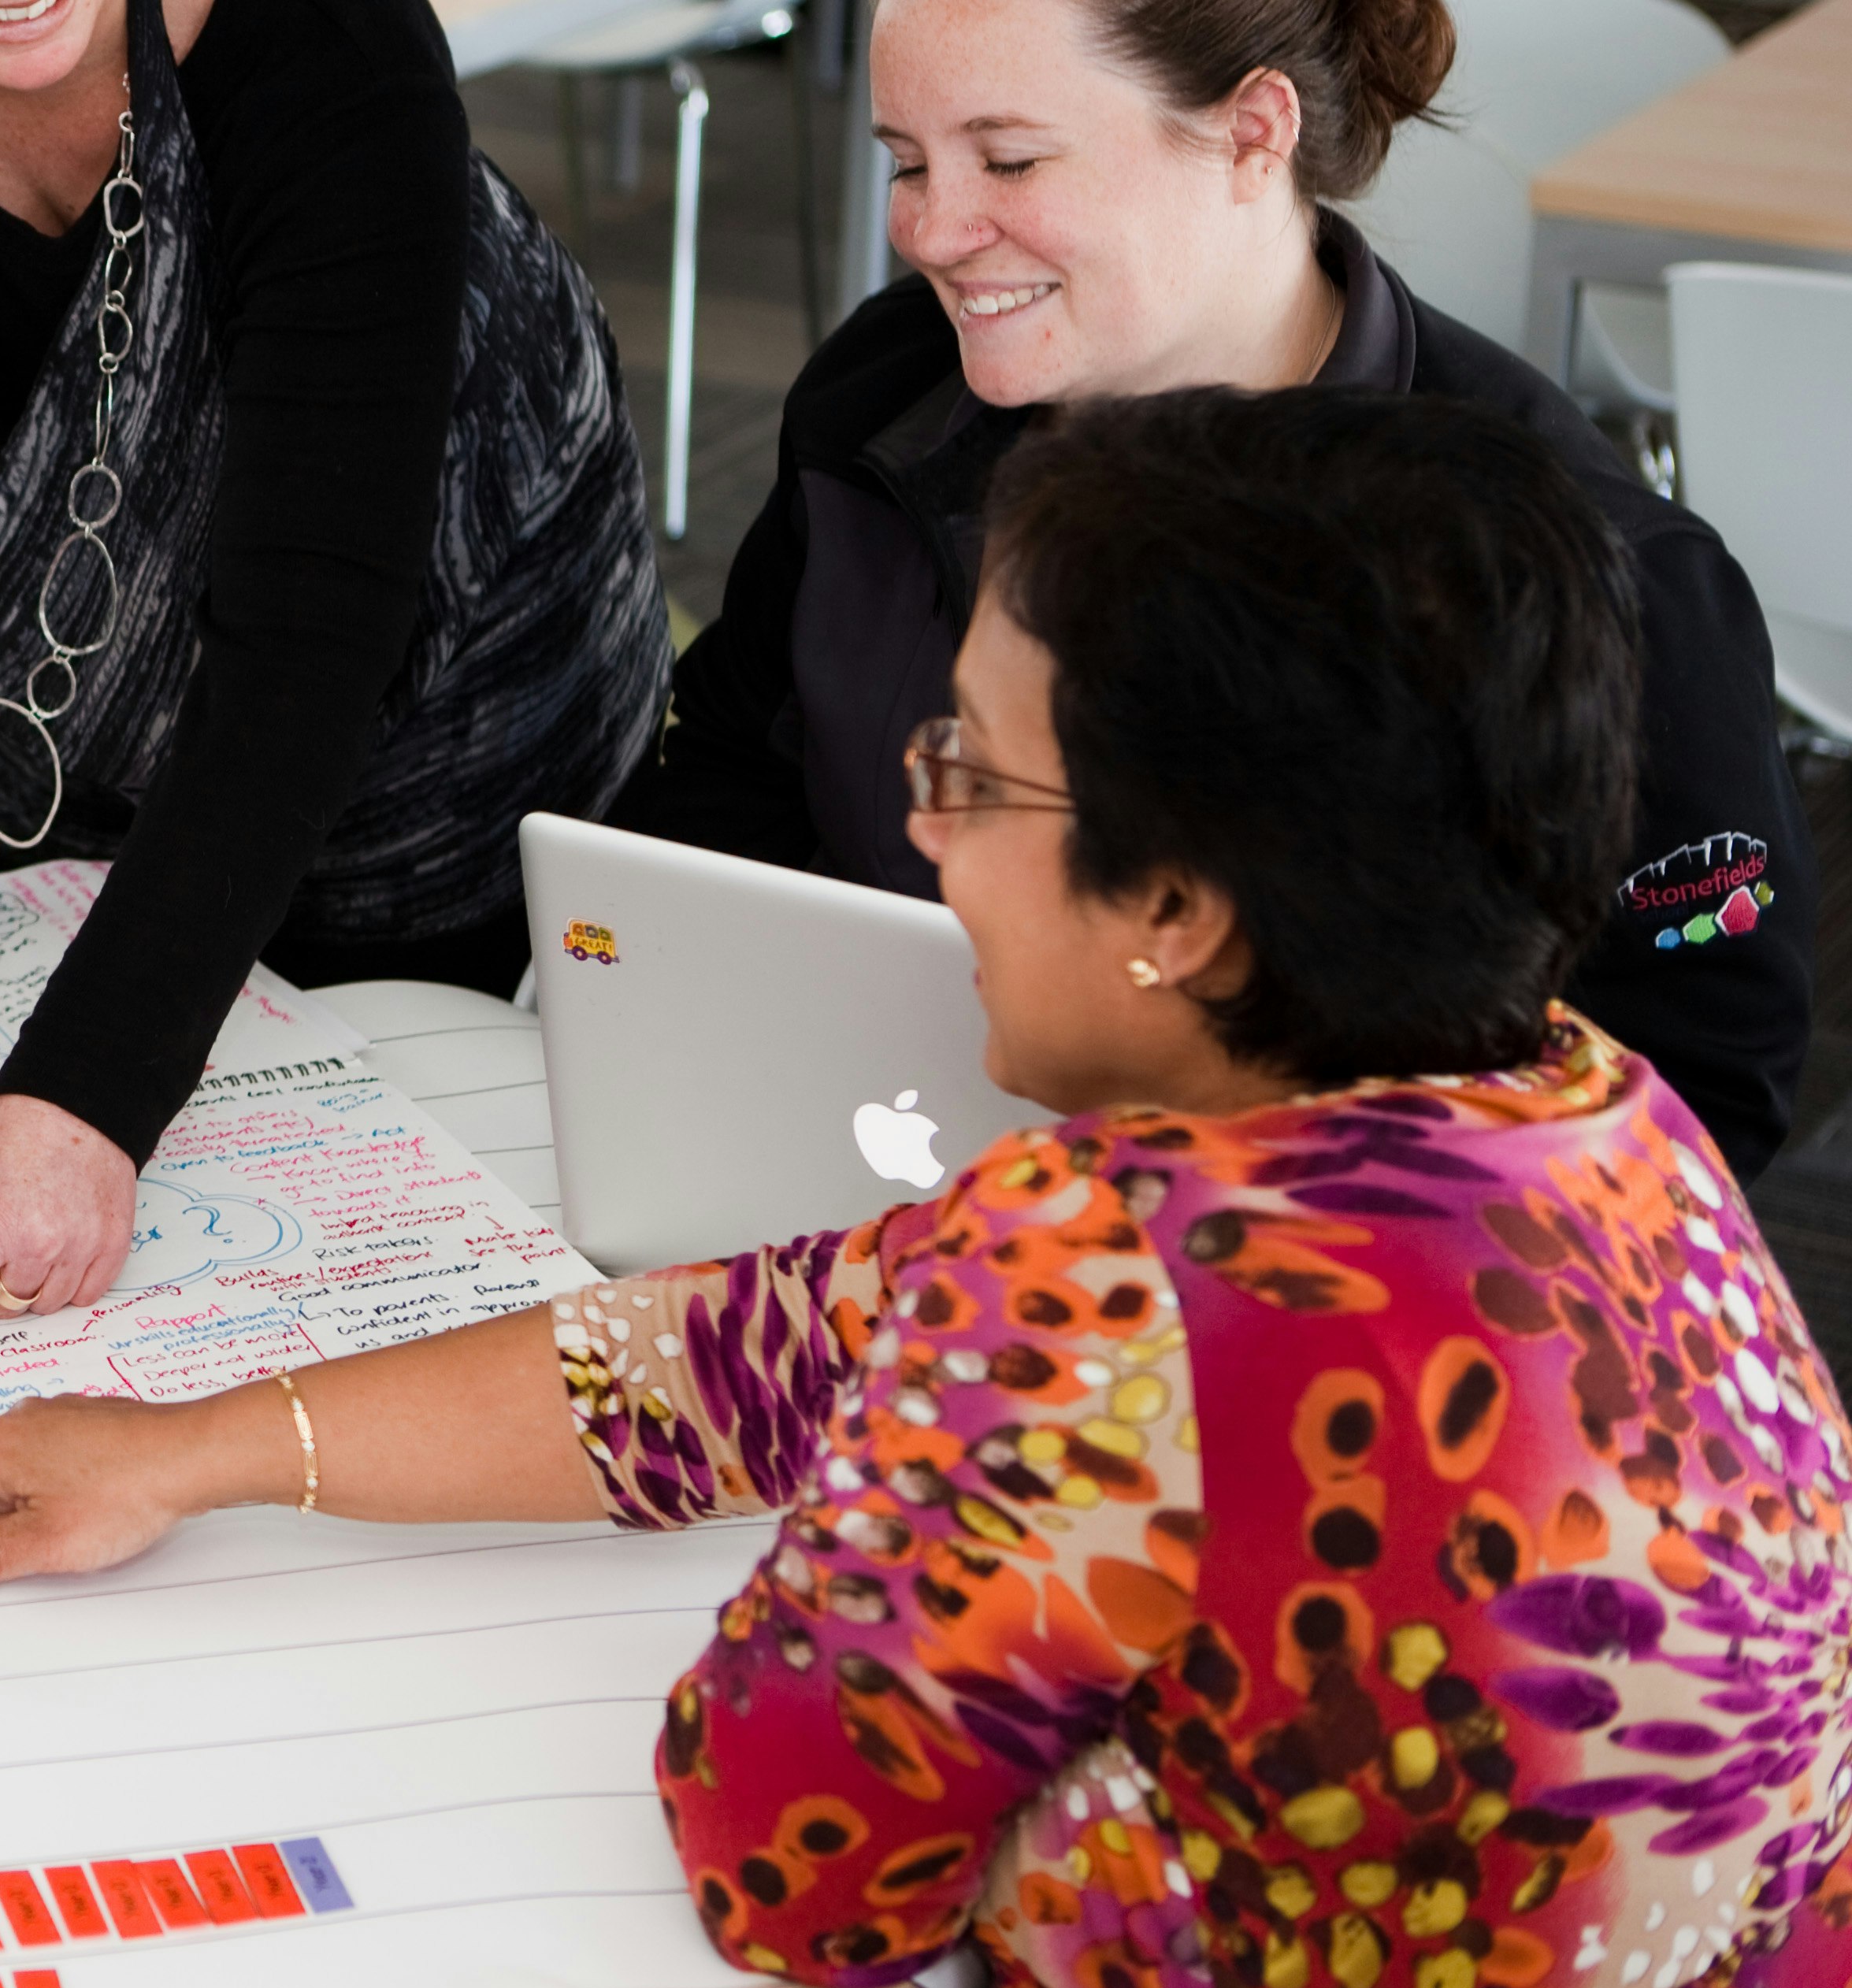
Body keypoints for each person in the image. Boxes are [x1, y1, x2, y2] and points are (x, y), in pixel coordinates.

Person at [0, 388, 1852, 1988]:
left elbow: (787, 1866)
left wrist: (937, 1565)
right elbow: (781, 1338)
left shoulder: (1104, 1275)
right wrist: (202, 1449)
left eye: (974, 774)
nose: (919, 821)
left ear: (1178, 912)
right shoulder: (1589, 1108)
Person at [616, 0, 1808, 1178]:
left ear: (1252, 133)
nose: (929, 230)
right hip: (838, 1160)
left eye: (1011, 158)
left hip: (1312, 1297)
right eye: (907, 162)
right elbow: (727, 787)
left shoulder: (1592, 575)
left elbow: (1695, 1097)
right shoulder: (884, 394)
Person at [0, 0, 672, 1392]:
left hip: (434, 749)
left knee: (351, 1333)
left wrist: (91, 1090)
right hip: (87, 747)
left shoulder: (338, 51)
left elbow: (313, 647)